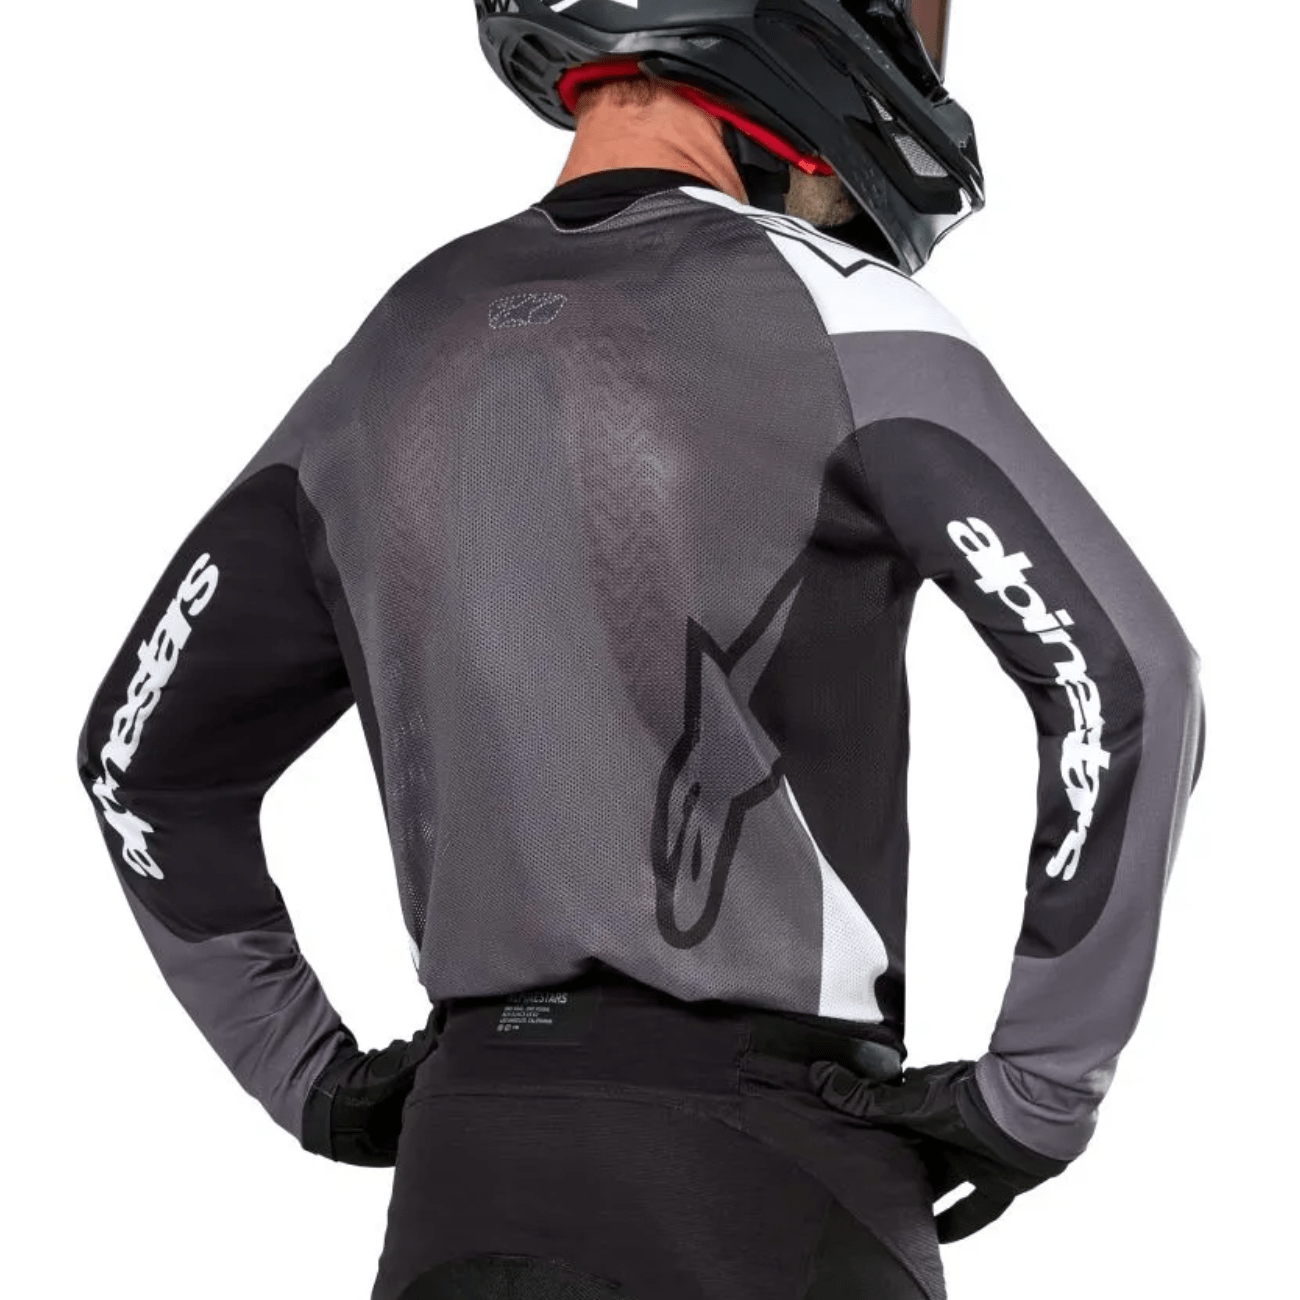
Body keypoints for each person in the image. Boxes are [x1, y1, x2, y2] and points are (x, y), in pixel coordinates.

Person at [76, 3, 1206, 1297]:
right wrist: (1040, 1090)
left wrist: (309, 1074)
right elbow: (1125, 675)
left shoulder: (394, 343)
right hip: (765, 1173)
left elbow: (136, 760)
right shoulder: (852, 318)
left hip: (465, 1170)